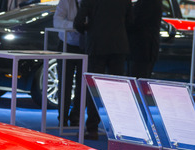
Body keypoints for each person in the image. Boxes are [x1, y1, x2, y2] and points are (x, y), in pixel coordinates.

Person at [74, 0, 133, 139]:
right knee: (117, 89)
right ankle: (119, 130)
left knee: (93, 89)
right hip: (119, 46)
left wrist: (90, 29)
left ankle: (92, 128)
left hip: (97, 46)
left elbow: (78, 23)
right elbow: (130, 22)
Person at [53, 0, 83, 127]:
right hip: (66, 45)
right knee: (65, 83)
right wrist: (76, 25)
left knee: (82, 86)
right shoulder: (66, 1)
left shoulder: (92, 2)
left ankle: (76, 116)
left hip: (85, 46)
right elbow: (57, 22)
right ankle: (63, 117)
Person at [127, 0, 163, 78]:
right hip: (146, 49)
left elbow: (136, 22)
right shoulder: (152, 2)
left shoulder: (147, 3)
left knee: (138, 80)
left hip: (142, 49)